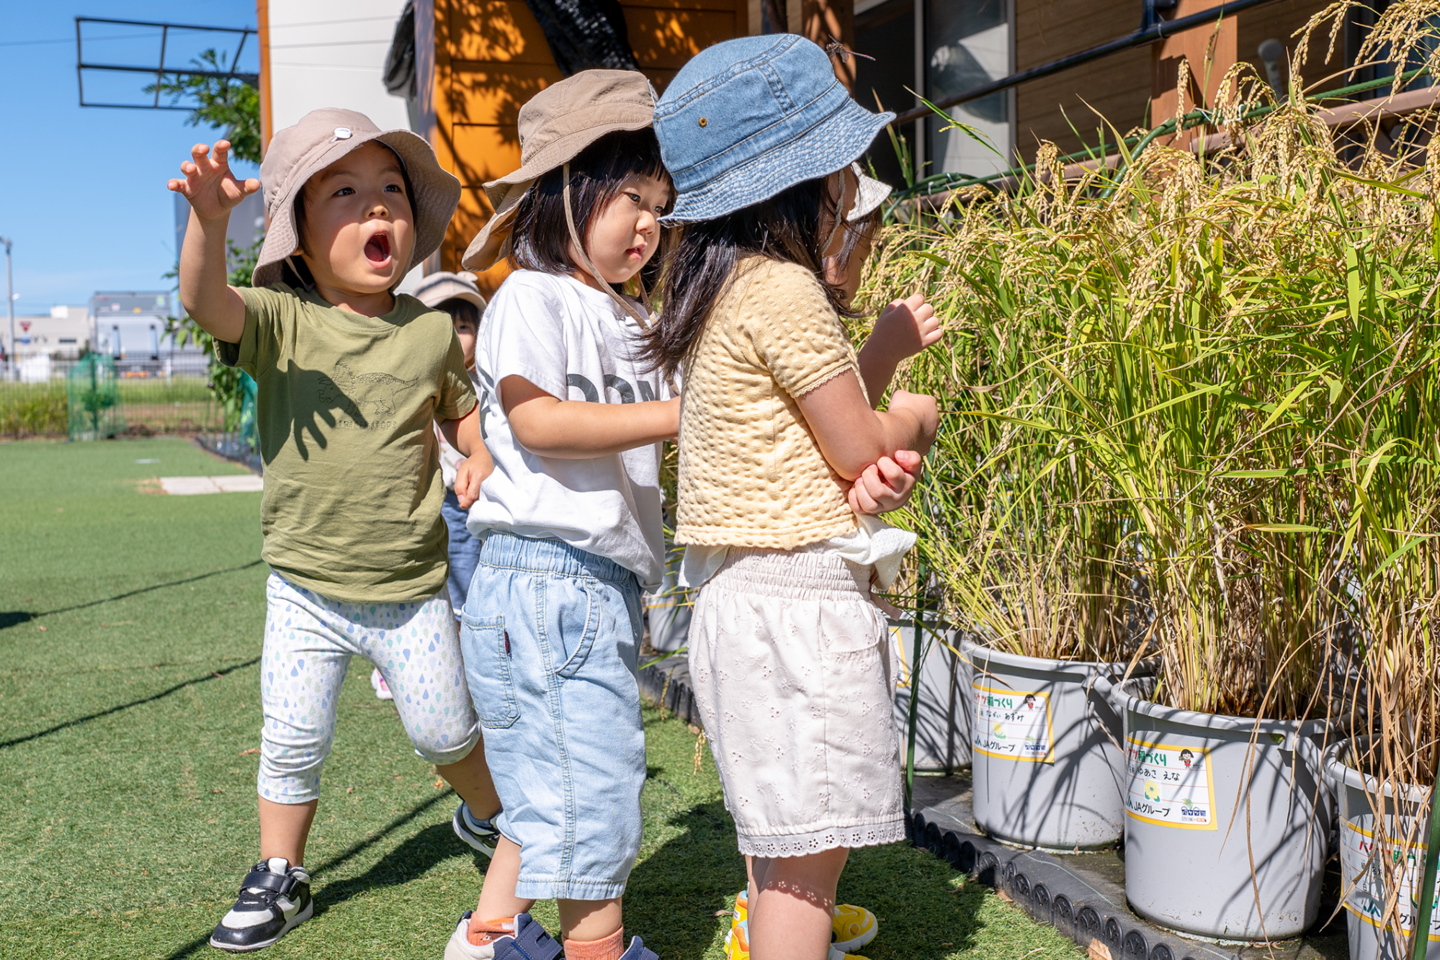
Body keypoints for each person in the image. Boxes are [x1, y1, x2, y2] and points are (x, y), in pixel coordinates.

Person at [167, 108, 503, 952]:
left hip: (410, 588)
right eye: (345, 195)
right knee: (291, 734)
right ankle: (281, 873)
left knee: (443, 731)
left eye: (391, 193)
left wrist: (479, 456)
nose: (377, 209)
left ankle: (494, 816)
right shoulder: (282, 321)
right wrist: (211, 222)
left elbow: (463, 417)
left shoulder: (430, 332)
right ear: (301, 241)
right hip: (305, 586)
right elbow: (206, 303)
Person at [646, 36, 943, 960]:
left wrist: (881, 355)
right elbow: (856, 441)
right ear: (803, 182)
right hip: (798, 609)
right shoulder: (785, 290)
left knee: (778, 845)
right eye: (844, 168)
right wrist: (911, 418)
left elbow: (808, 436)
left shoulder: (719, 292)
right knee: (808, 868)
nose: (853, 188)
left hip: (740, 601)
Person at [440, 69, 678, 960]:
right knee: (597, 797)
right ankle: (596, 949)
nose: (649, 224)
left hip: (586, 587)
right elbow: (538, 421)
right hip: (548, 581)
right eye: (630, 198)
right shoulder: (532, 297)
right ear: (567, 190)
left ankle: (493, 930)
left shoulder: (631, 314)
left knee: (555, 786)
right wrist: (679, 413)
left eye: (660, 203)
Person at [370, 271, 489, 702]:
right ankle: (407, 666)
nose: (455, 338)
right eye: (442, 326)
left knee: (473, 584)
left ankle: (471, 666)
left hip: (479, 504)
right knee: (436, 585)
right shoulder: (412, 383)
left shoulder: (488, 384)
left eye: (463, 326)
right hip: (435, 503)